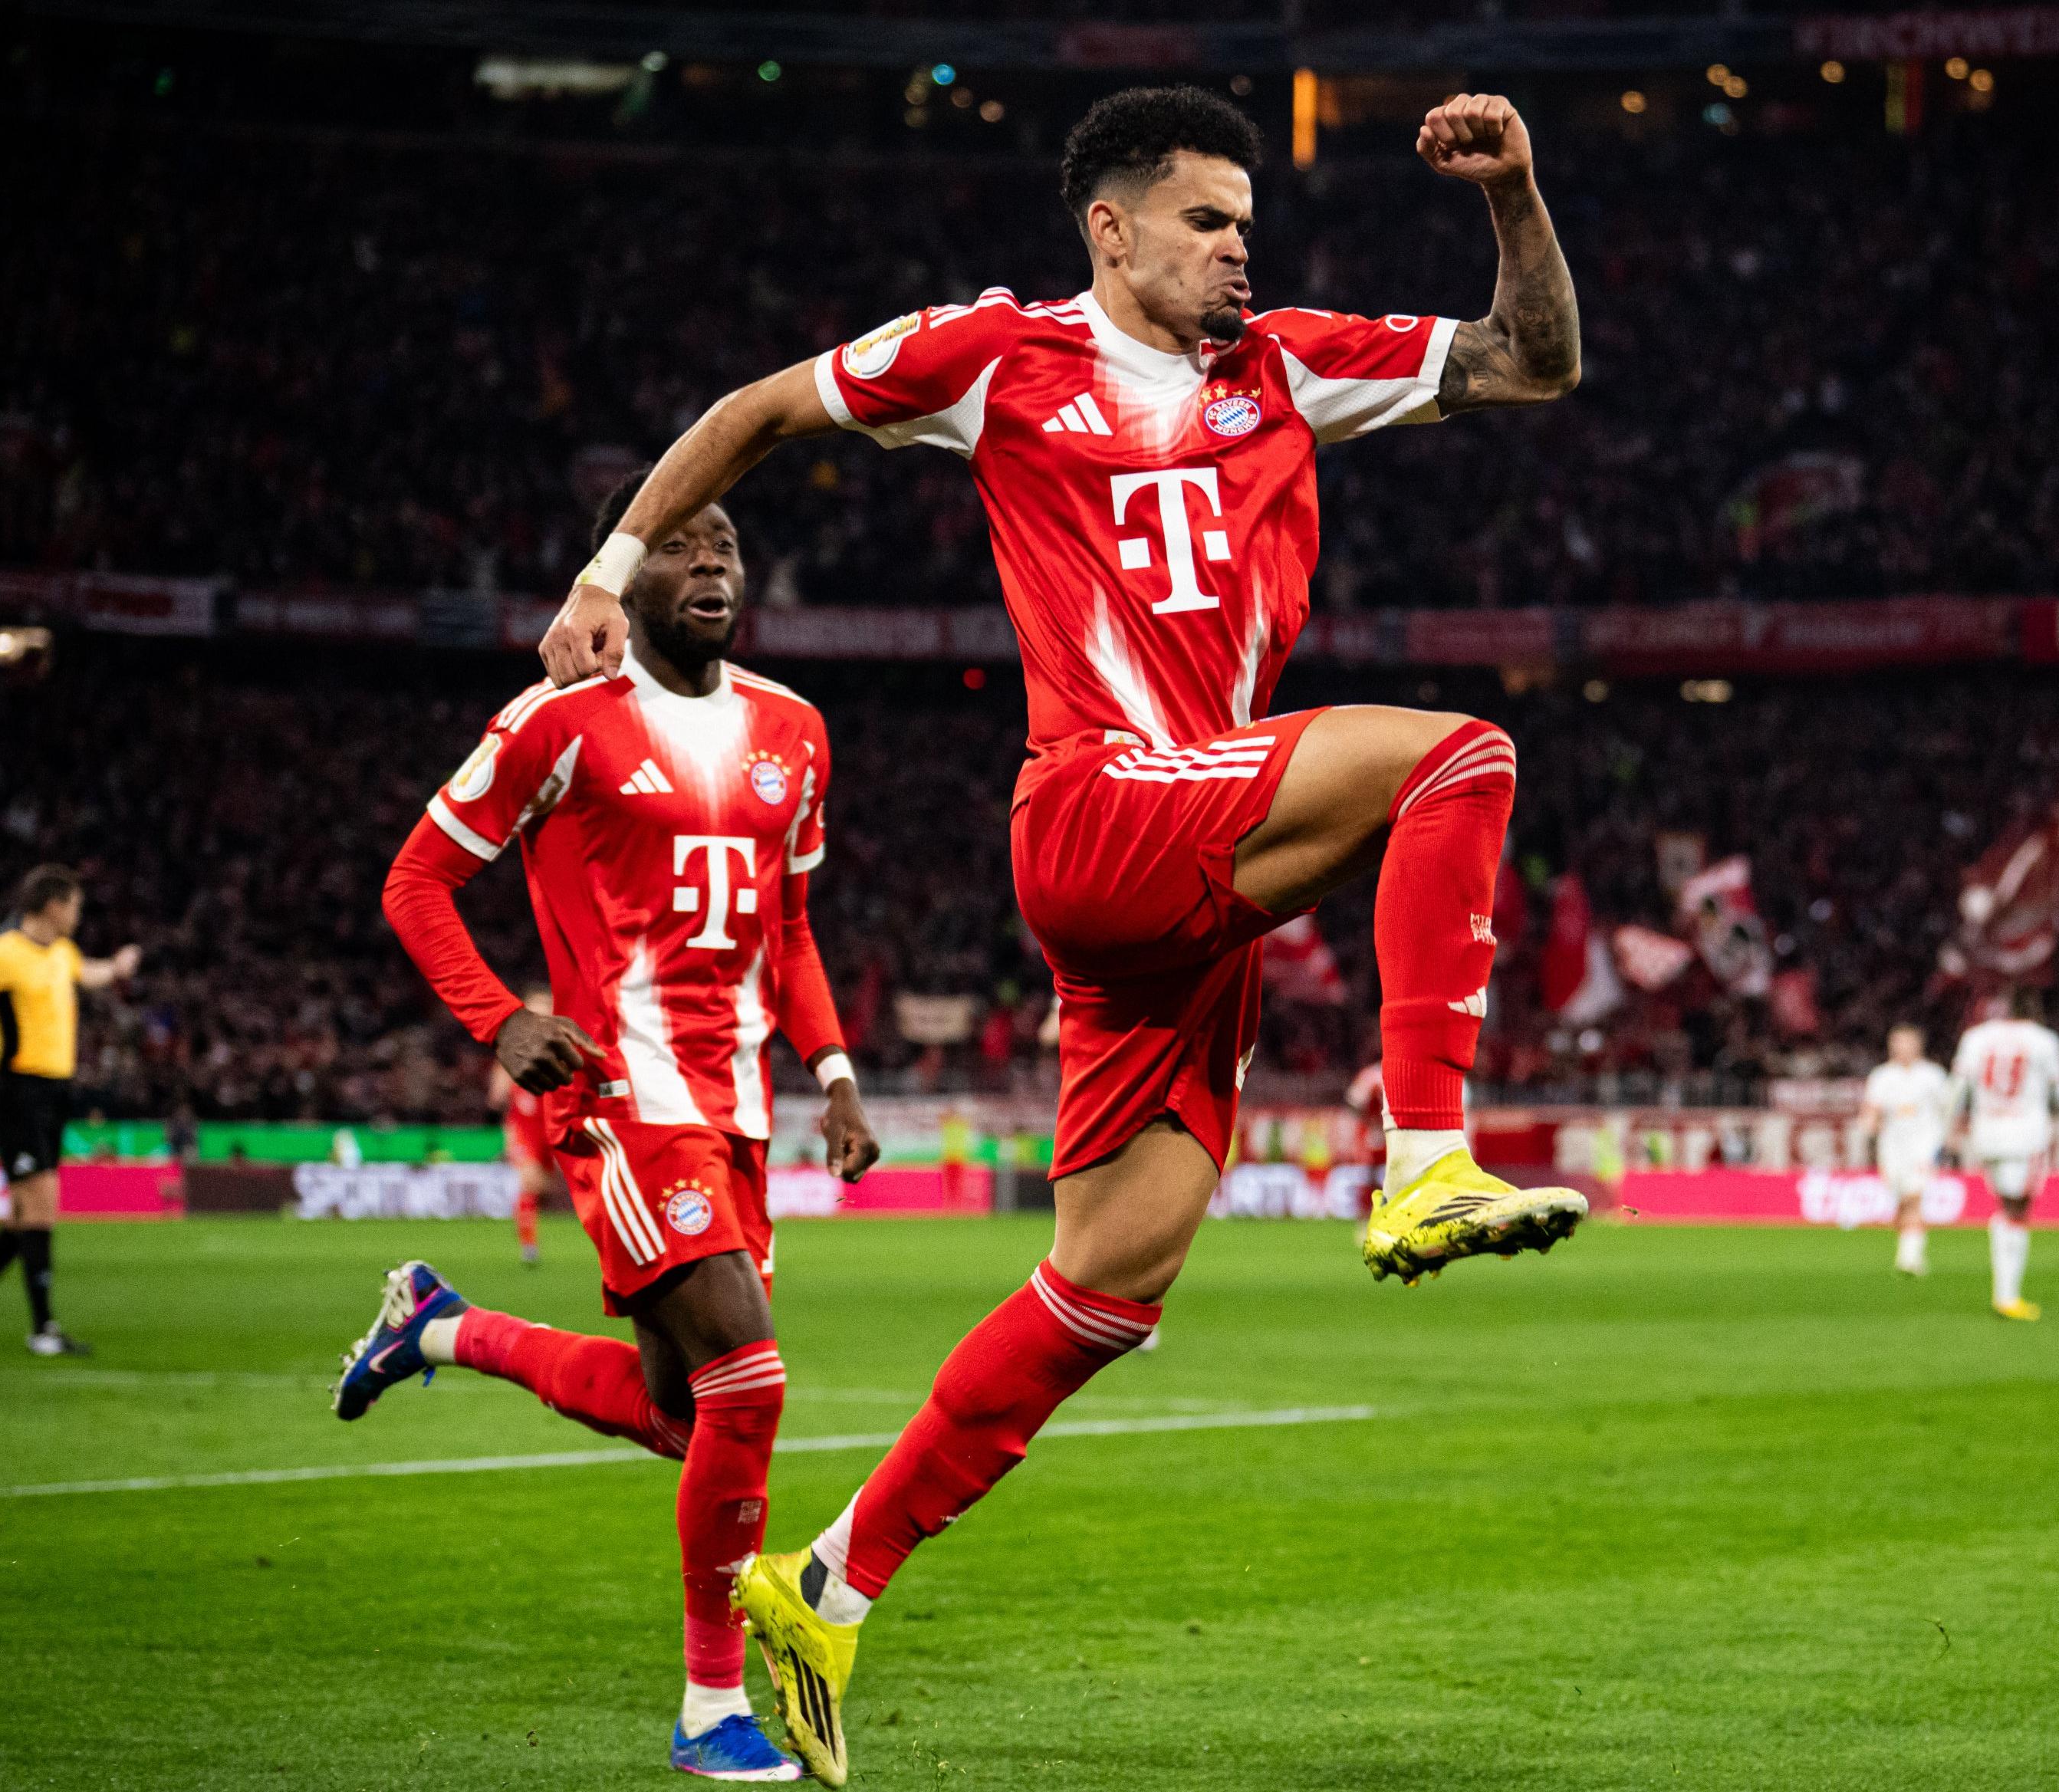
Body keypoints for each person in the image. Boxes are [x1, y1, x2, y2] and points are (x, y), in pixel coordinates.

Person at [529, 86, 1587, 1780]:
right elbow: (756, 412)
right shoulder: (987, 354)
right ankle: (1425, 1152)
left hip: (1196, 862)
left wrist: (1515, 196)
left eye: (1247, 223)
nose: (1239, 248)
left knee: (1109, 1281)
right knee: (1461, 753)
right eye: (1203, 220)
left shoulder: (1292, 361)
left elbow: (1531, 362)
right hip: (1100, 807)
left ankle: (828, 1587)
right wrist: (609, 565)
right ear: (1107, 228)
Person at [350, 484, 880, 1781]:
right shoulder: (559, 725)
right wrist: (498, 1018)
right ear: (626, 579)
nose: (712, 564)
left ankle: (435, 1323)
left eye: (729, 546)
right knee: (748, 1383)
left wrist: (836, 1068)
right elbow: (416, 879)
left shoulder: (796, 732)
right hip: (622, 1098)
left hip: (740, 1103)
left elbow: (793, 928)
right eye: (682, 547)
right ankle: (711, 1712)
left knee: (681, 1412)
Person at [0, 864, 138, 1356]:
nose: (79, 916)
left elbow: (90, 973)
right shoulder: (1, 956)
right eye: (76, 906)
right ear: (53, 905)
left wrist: (120, 966)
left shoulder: (62, 954)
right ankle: (42, 1328)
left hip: (54, 1092)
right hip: (15, 1090)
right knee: (40, 1205)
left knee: (30, 1212)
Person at [1947, 995, 2059, 1321]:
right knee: (2018, 1210)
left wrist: (1948, 1130)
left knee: (2004, 1207)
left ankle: (2004, 1293)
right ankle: (2008, 1296)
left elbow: (1957, 1088)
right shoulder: (2044, 1040)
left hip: (1987, 1133)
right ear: (2035, 1011)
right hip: (2026, 1134)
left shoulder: (1975, 1037)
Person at [1858, 1024, 1949, 1277]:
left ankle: (1911, 1259)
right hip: (1892, 1148)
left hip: (1924, 1147)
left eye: (1907, 1042)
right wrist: (1868, 1128)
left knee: (1914, 1197)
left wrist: (1946, 1142)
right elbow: (1872, 1109)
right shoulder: (1882, 1076)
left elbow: (1947, 1111)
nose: (1902, 1048)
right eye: (1897, 1043)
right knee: (1901, 1201)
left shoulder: (1933, 1075)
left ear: (1918, 1045)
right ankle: (1907, 1251)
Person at [492, 981, 561, 1266]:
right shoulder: (512, 1051)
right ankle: (529, 1248)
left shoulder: (564, 1049)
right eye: (536, 1010)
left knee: (546, 1189)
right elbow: (497, 1098)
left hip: (556, 1129)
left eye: (546, 1009)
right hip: (526, 1130)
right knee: (530, 1184)